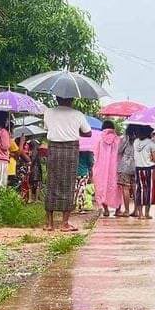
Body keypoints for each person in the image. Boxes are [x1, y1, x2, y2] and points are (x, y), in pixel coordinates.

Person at [43, 97, 92, 231]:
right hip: (70, 149)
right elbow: (88, 133)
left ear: (57, 99)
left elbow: (47, 128)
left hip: (53, 148)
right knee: (68, 183)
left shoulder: (48, 112)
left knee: (51, 182)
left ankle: (49, 223)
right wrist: (76, 130)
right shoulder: (78, 114)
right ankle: (65, 223)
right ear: (72, 100)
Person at [92, 120, 122, 217]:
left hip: (101, 168)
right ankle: (118, 210)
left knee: (102, 187)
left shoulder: (99, 139)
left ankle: (106, 210)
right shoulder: (118, 139)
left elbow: (95, 153)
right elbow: (120, 153)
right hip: (115, 167)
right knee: (117, 188)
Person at [133, 125, 155, 219]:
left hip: (138, 168)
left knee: (140, 190)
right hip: (149, 169)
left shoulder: (136, 142)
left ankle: (140, 214)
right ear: (148, 133)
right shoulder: (151, 143)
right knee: (149, 190)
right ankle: (147, 213)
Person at [117, 125, 137, 217]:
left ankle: (127, 211)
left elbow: (119, 150)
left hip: (125, 166)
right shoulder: (139, 139)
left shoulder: (125, 138)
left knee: (125, 188)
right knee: (135, 188)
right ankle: (136, 210)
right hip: (136, 166)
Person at [0, 112, 11, 189]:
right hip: (1, 160)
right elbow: (5, 146)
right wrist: (9, 139)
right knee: (0, 184)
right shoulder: (3, 132)